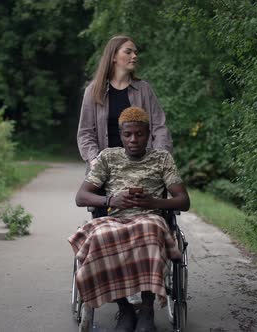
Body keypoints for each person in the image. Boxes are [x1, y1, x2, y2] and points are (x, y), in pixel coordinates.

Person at [69, 107, 190, 332]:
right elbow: (81, 196)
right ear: (121, 135)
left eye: (139, 134)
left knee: (148, 230)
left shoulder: (161, 159)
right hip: (115, 219)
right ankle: (124, 309)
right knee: (101, 235)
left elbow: (183, 200)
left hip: (150, 218)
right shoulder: (108, 157)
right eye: (128, 135)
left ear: (148, 133)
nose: (133, 139)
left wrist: (153, 202)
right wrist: (111, 199)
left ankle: (146, 309)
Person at [77, 35, 173, 171]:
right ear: (113, 57)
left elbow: (160, 127)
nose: (134, 56)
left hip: (141, 168)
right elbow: (85, 133)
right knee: (85, 194)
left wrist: (159, 159)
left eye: (135, 52)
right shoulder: (94, 91)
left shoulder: (144, 89)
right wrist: (94, 160)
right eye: (128, 52)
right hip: (105, 169)